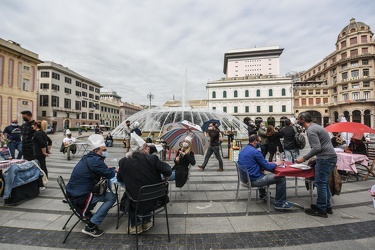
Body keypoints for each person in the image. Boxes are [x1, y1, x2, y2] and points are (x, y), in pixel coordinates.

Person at [117, 132, 172, 234]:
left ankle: (135, 225)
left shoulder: (123, 162)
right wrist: (166, 177)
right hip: (155, 198)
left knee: (129, 195)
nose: (149, 150)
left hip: (135, 200)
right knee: (146, 190)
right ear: (144, 148)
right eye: (147, 147)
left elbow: (119, 179)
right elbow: (168, 170)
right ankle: (146, 221)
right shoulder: (152, 158)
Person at [66, 134, 117, 238]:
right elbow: (110, 174)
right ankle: (91, 226)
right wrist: (114, 169)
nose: (105, 151)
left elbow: (101, 170)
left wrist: (107, 169)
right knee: (111, 197)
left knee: (104, 194)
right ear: (96, 151)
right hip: (81, 196)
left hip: (73, 192)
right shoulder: (96, 161)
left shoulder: (88, 157)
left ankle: (87, 213)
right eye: (103, 150)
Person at [295, 111, 337, 218]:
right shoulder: (317, 127)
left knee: (320, 184)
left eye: (298, 119)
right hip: (330, 157)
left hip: (325, 159)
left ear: (303, 120)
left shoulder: (311, 130)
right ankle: (327, 206)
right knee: (324, 183)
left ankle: (321, 208)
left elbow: (317, 148)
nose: (297, 121)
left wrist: (304, 158)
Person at [238, 134, 293, 210]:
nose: (260, 143)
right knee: (281, 178)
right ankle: (280, 203)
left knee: (262, 173)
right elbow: (268, 167)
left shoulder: (243, 150)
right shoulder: (255, 152)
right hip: (254, 180)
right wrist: (276, 163)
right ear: (255, 141)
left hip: (245, 179)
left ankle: (263, 194)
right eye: (259, 141)